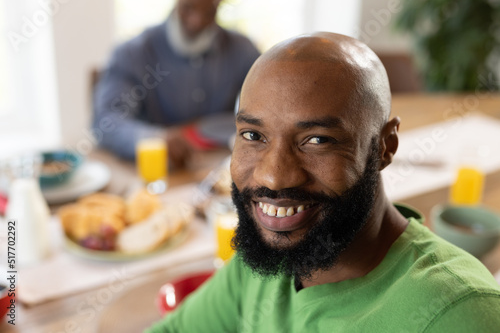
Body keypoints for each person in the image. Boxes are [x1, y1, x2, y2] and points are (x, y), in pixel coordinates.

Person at [146, 32, 500, 332]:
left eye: (317, 140)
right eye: (253, 135)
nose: (273, 175)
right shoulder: (269, 252)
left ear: (385, 145)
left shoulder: (460, 313)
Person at [92, 0, 260, 167]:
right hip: (158, 173)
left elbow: (268, 110)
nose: (197, 22)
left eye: (209, 12)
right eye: (188, 8)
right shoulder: (133, 53)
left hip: (220, 168)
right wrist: (156, 139)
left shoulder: (243, 51)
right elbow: (106, 122)